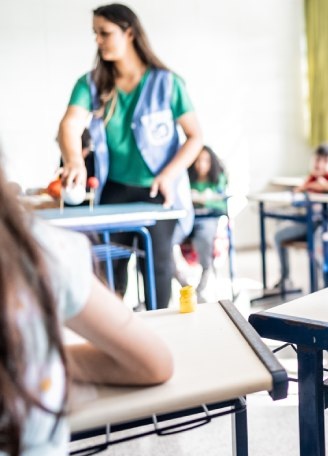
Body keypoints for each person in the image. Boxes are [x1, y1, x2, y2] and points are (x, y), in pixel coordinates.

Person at [0, 149, 172, 455]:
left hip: (132, 198)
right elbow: (154, 362)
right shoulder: (41, 251)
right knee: (119, 273)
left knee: (147, 268)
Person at [56, 4, 203, 309]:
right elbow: (70, 124)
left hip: (157, 192)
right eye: (95, 33)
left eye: (105, 33)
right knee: (109, 274)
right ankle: (115, 341)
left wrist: (168, 175)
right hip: (114, 190)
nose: (98, 40)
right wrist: (73, 160)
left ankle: (161, 339)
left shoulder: (168, 83)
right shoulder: (91, 84)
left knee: (158, 270)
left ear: (130, 33)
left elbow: (195, 137)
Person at [272, 144, 328, 290]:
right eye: (317, 159)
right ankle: (285, 278)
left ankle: (327, 285)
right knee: (278, 235)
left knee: (319, 241)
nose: (319, 164)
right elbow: (298, 193)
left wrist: (324, 186)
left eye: (325, 161)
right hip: (311, 222)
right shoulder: (312, 179)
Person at [177, 146, 227, 298]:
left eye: (205, 160)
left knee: (204, 238)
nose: (201, 164)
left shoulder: (218, 178)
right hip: (187, 218)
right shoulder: (186, 178)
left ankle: (205, 277)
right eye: (197, 160)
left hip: (209, 219)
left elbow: (220, 202)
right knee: (167, 243)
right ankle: (184, 283)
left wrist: (203, 199)